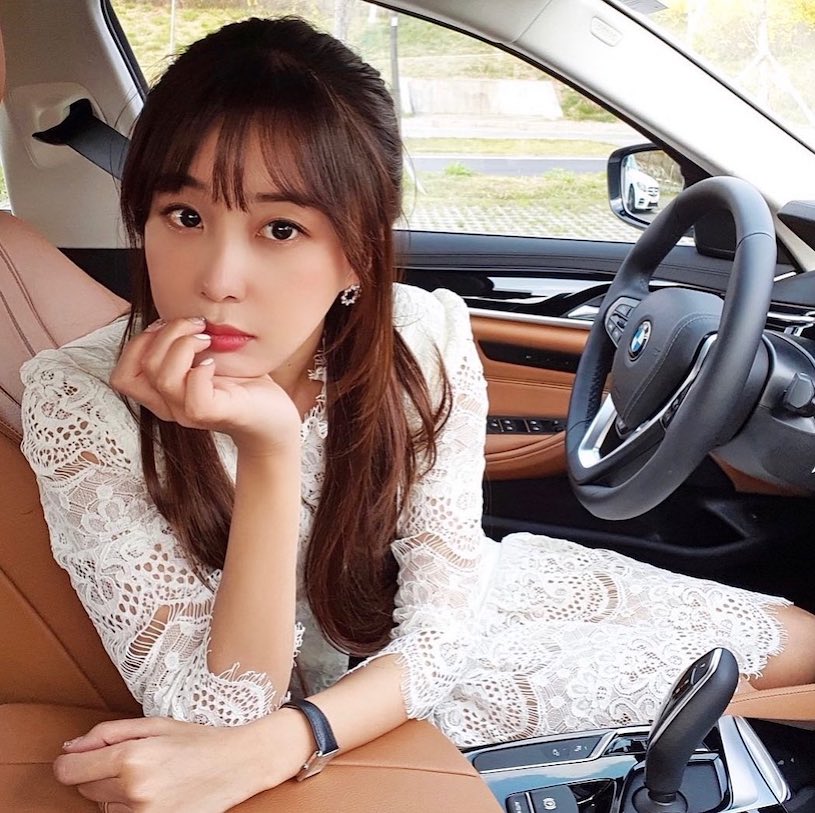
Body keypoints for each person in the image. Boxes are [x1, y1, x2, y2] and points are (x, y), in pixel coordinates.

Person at [19, 15, 815, 813]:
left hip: (460, 612)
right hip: (369, 693)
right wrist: (269, 451)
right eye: (184, 216)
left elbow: (442, 619)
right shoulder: (79, 401)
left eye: (280, 228)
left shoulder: (422, 333)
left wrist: (290, 741)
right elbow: (219, 719)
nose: (218, 277)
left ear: (357, 251)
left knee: (799, 639)